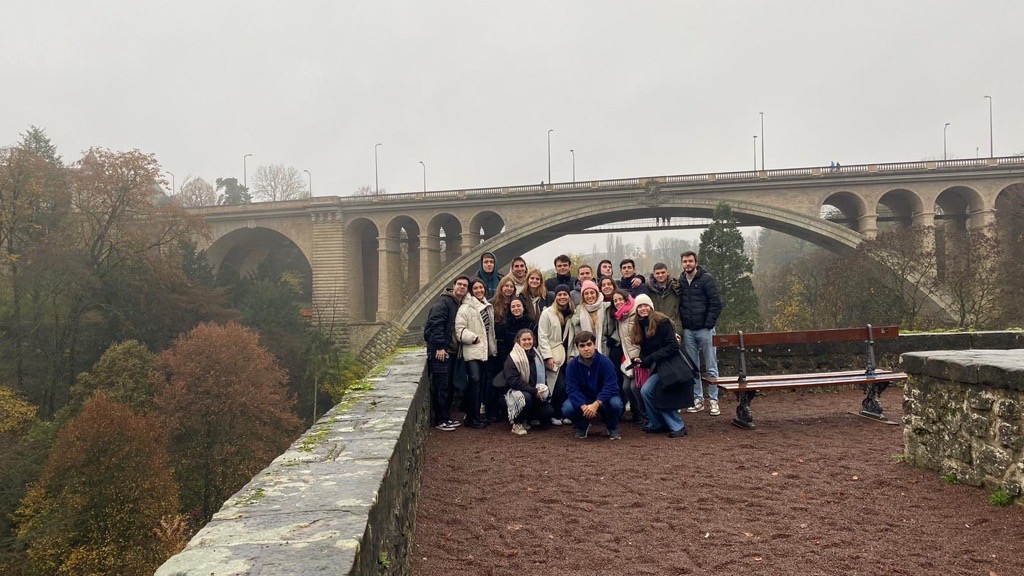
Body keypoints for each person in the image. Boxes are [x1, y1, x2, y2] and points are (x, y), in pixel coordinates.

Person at [632, 294, 694, 438]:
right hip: (660, 367)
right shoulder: (642, 325)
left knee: (662, 394)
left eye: (645, 305)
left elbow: (672, 346)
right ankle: (657, 423)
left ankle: (678, 426)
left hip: (672, 366)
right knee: (646, 391)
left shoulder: (662, 322)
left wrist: (650, 359)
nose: (643, 309)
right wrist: (641, 359)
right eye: (640, 306)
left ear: (651, 307)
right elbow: (646, 349)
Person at [678, 251, 723, 416]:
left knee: (711, 366)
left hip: (705, 330)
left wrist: (708, 324)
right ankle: (698, 399)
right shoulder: (681, 281)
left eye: (690, 261)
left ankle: (713, 400)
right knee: (693, 367)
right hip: (688, 330)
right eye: (685, 261)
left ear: (696, 262)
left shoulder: (706, 279)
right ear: (682, 264)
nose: (688, 264)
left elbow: (716, 303)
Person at [423, 275, 470, 431]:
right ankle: (440, 421)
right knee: (441, 386)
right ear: (453, 286)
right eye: (460, 284)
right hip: (441, 352)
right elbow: (435, 324)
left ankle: (446, 418)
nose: (462, 287)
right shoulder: (443, 302)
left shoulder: (456, 303)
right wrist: (439, 347)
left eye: (465, 286)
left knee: (448, 386)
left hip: (450, 352)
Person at [562, 331, 624, 439]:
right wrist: (583, 405)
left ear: (594, 345)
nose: (586, 349)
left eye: (589, 344)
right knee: (567, 408)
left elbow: (611, 386)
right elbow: (572, 389)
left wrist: (596, 404)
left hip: (604, 399)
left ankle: (612, 427)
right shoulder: (572, 366)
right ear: (577, 348)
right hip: (584, 399)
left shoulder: (606, 362)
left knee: (616, 404)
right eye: (582, 346)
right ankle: (582, 426)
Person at [455, 278, 497, 428]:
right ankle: (471, 418)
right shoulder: (465, 308)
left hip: (485, 352)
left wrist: (492, 348)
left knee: (480, 384)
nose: (479, 291)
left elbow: (490, 332)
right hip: (472, 351)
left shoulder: (487, 306)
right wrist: (473, 338)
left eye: (481, 288)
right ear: (471, 291)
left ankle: (476, 416)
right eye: (476, 289)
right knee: (475, 381)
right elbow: (459, 330)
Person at [503, 328, 556, 435]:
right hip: (516, 393)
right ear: (518, 341)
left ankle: (528, 418)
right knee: (525, 398)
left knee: (549, 412)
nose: (527, 342)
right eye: (524, 340)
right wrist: (534, 391)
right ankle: (517, 423)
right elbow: (514, 382)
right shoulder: (513, 358)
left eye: (529, 339)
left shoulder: (536, 355)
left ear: (533, 340)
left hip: (534, 392)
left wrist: (542, 390)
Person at [537, 284, 576, 426]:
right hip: (553, 353)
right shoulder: (547, 313)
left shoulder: (573, 313)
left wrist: (573, 354)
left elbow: (575, 336)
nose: (562, 297)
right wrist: (547, 356)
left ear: (569, 296)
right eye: (559, 295)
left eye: (565, 294)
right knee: (558, 385)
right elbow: (542, 336)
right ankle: (554, 413)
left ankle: (565, 413)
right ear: (556, 297)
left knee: (568, 385)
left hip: (568, 354)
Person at [611, 289, 647, 428]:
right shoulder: (620, 317)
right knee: (626, 387)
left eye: (621, 299)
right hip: (627, 358)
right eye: (615, 301)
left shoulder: (634, 314)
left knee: (635, 386)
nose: (618, 302)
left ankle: (643, 415)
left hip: (639, 357)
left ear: (627, 299)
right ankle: (636, 412)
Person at [572, 280, 608, 355]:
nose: (589, 296)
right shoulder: (579, 311)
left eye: (592, 293)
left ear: (597, 294)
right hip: (586, 350)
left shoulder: (606, 307)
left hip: (606, 349)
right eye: (586, 294)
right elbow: (577, 335)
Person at [646, 262, 681, 333]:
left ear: (667, 272)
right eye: (658, 273)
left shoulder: (676, 287)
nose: (660, 275)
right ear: (654, 274)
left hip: (673, 327)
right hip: (654, 328)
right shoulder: (648, 289)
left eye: (663, 272)